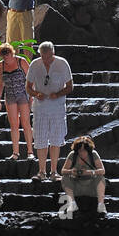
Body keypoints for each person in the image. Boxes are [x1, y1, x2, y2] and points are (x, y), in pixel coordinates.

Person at [27, 41, 72, 181]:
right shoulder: (35, 64)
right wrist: (35, 94)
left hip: (57, 108)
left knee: (56, 139)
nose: (45, 60)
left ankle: (54, 171)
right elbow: (28, 87)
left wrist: (57, 94)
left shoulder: (62, 63)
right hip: (40, 108)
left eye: (47, 57)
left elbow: (70, 86)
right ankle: (41, 171)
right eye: (42, 57)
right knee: (40, 139)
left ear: (53, 53)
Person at [0, 41, 33, 160]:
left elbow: (31, 79)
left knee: (25, 123)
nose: (6, 57)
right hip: (10, 96)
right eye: (4, 55)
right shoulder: (1, 65)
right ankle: (15, 152)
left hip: (23, 95)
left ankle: (30, 151)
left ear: (12, 53)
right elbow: (0, 83)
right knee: (14, 125)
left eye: (8, 54)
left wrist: (32, 96)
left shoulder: (21, 61)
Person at [59, 135, 107, 217]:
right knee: (65, 178)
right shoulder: (72, 155)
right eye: (79, 150)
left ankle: (101, 205)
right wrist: (71, 171)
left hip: (91, 187)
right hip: (77, 186)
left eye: (84, 150)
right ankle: (72, 204)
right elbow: (63, 171)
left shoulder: (93, 154)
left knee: (100, 177)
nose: (81, 152)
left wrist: (89, 172)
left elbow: (102, 171)